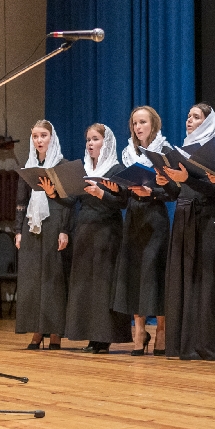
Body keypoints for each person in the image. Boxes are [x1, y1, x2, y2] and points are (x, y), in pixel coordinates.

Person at [161, 104, 215, 360]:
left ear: (207, 122)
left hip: (208, 218)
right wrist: (168, 182)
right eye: (188, 116)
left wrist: (187, 179)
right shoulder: (183, 149)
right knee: (185, 281)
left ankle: (212, 345)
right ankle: (185, 344)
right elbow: (176, 194)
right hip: (184, 217)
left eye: (196, 117)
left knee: (207, 284)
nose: (189, 120)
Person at [108, 106, 180, 356]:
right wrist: (117, 189)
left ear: (154, 125)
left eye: (142, 122)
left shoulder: (165, 151)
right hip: (134, 218)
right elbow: (125, 193)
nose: (138, 127)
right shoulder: (128, 153)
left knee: (155, 274)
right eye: (134, 123)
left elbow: (174, 192)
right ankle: (139, 332)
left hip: (155, 218)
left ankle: (161, 330)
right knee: (134, 274)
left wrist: (153, 191)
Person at [62, 124, 131, 353]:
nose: (90, 144)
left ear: (106, 142)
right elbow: (72, 201)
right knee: (86, 286)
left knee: (104, 285)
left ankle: (105, 337)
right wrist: (53, 192)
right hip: (85, 230)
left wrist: (101, 193)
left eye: (95, 139)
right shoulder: (84, 169)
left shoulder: (116, 169)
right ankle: (90, 335)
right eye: (88, 140)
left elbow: (123, 203)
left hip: (107, 231)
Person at [15, 121, 71, 350]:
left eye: (43, 135)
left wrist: (64, 229)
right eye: (35, 136)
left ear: (51, 137)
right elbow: (21, 201)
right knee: (32, 280)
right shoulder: (29, 165)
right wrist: (18, 230)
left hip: (54, 223)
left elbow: (69, 201)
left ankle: (55, 331)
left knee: (52, 278)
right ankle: (37, 330)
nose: (39, 140)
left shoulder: (61, 164)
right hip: (32, 226)